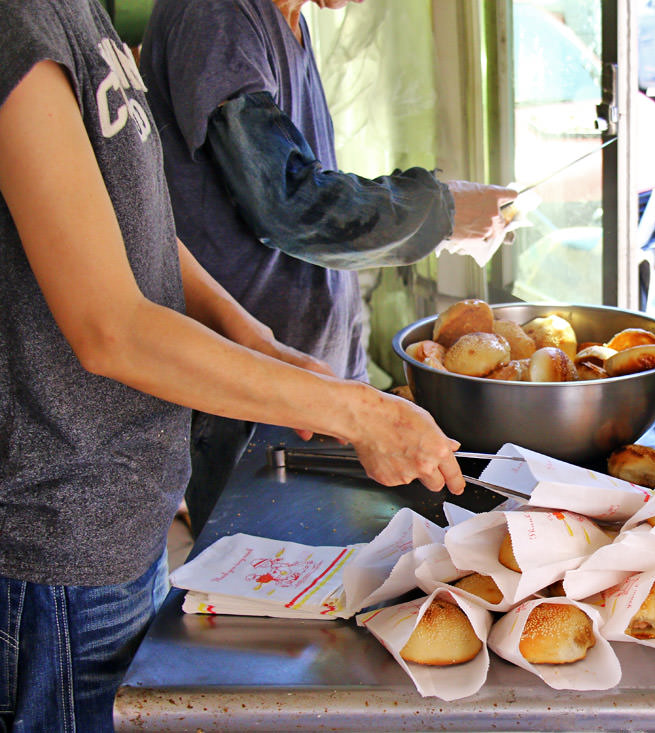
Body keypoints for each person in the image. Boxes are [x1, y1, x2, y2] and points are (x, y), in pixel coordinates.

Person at [0, 1, 469, 728]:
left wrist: (253, 337)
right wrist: (356, 409)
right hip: (57, 536)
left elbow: (133, 223)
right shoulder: (19, 23)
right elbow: (109, 329)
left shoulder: (79, 13)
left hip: (130, 507)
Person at [138, 0, 516, 538]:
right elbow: (288, 204)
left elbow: (315, 191)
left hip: (322, 375)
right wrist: (441, 212)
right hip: (255, 395)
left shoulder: (290, 21)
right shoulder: (215, 15)